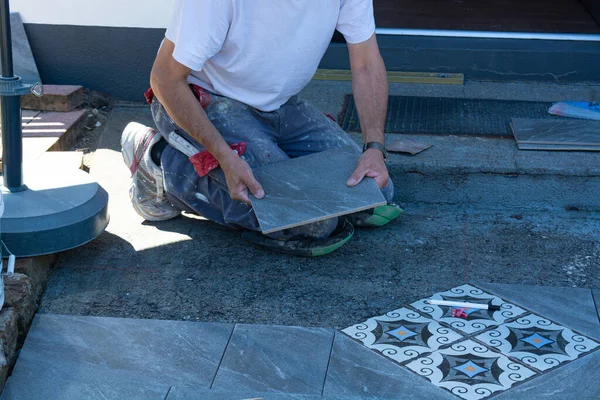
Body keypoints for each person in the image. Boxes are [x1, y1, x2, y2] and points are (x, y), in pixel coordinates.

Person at [121, 0, 402, 256]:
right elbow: (164, 79)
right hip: (207, 102)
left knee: (376, 191)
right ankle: (157, 163)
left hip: (279, 107)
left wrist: (374, 147)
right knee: (309, 224)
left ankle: (268, 162)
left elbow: (366, 63)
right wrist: (224, 157)